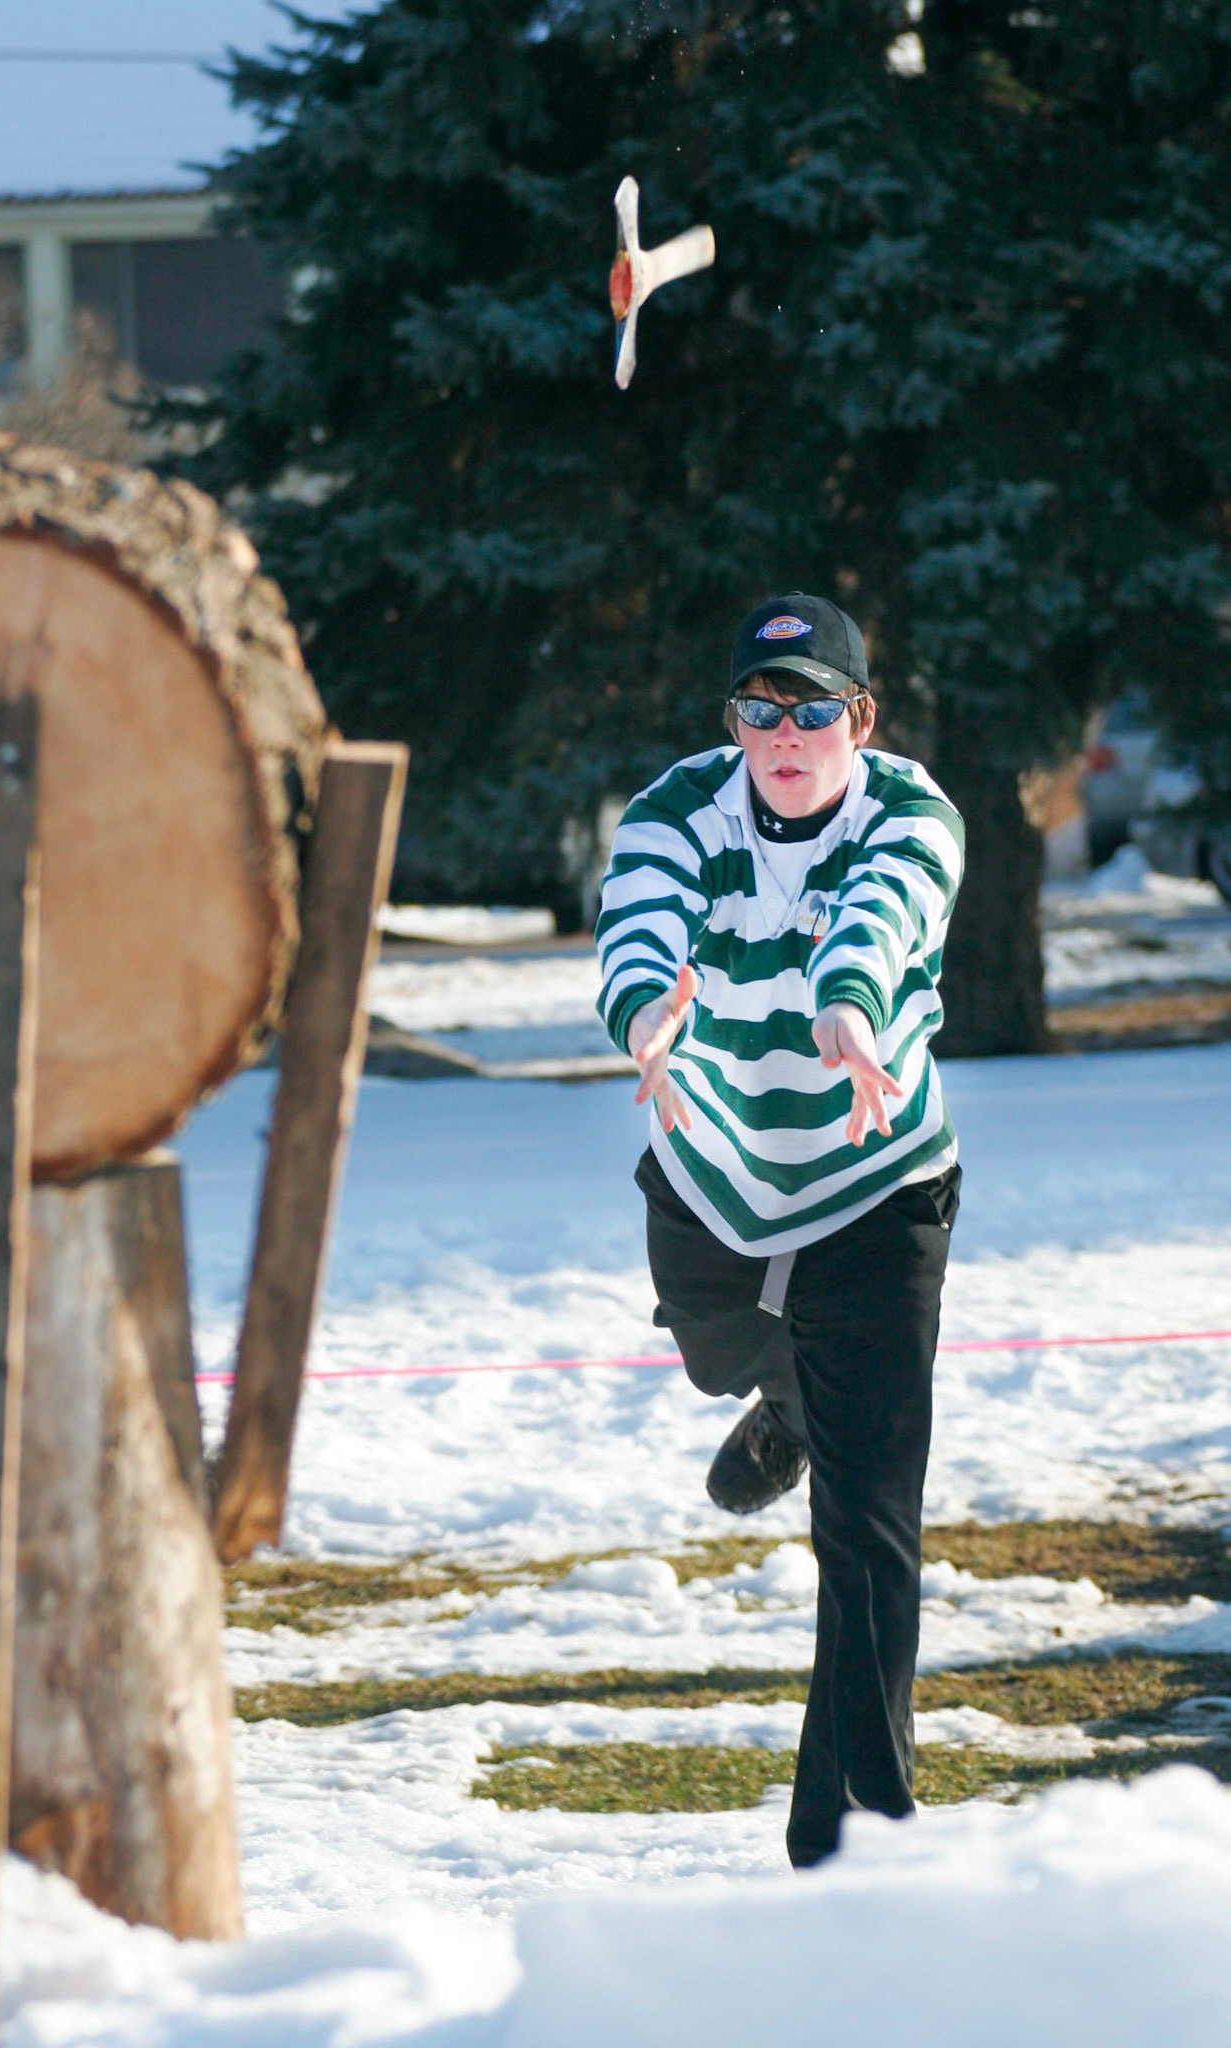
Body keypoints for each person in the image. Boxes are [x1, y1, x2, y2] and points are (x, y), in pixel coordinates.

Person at [595, 591, 964, 1867]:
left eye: (813, 708)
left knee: (868, 1526)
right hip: (714, 1171)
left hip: (878, 1181)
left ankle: (858, 1849)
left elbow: (885, 915)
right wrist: (646, 1012)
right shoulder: (677, 807)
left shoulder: (909, 812)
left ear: (859, 716)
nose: (786, 733)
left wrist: (850, 1008)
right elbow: (636, 915)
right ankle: (789, 1407)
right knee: (714, 1348)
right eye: (761, 709)